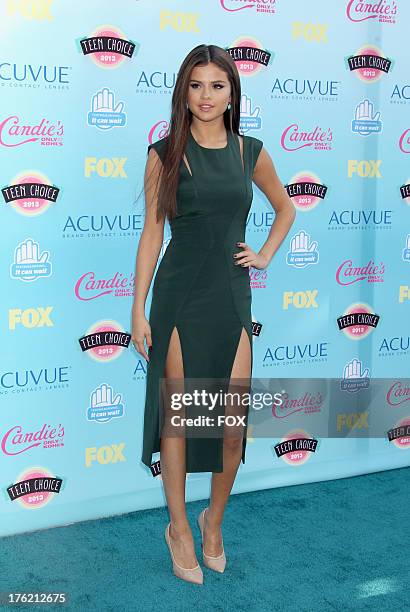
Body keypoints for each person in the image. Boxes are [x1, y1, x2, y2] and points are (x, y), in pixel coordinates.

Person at [131, 44, 295, 584]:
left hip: (230, 295)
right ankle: (177, 526)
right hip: (179, 296)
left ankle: (212, 521)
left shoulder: (250, 151)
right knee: (180, 419)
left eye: (217, 85)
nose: (206, 95)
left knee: (230, 424)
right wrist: (138, 306)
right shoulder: (165, 153)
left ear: (233, 93)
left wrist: (265, 253)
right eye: (196, 85)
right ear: (184, 92)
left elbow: (286, 205)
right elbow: (153, 232)